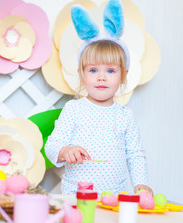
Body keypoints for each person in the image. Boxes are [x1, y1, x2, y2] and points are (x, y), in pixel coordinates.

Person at [45, 1, 153, 196]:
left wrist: (141, 183)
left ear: (123, 75)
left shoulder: (125, 115)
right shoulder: (74, 109)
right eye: (93, 70)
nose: (101, 77)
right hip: (75, 195)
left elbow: (135, 155)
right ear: (82, 74)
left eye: (110, 70)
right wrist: (65, 151)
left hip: (114, 198)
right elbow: (52, 146)